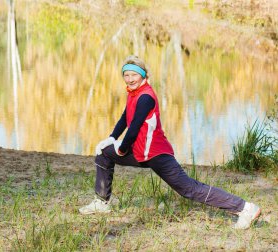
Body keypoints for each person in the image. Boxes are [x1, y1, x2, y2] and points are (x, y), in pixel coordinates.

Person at [79, 55, 261, 229]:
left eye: (134, 74)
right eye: (126, 75)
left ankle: (245, 208)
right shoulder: (133, 93)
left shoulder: (146, 97)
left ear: (142, 75)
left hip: (156, 154)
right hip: (139, 152)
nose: (129, 79)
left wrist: (121, 149)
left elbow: (134, 128)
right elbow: (125, 117)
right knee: (103, 153)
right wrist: (111, 138)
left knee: (188, 188)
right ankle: (102, 202)